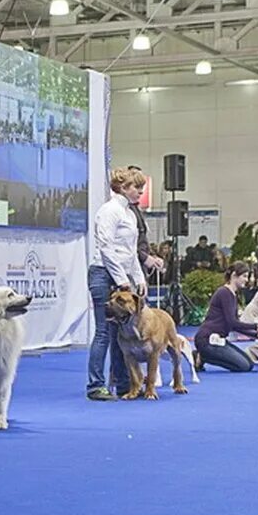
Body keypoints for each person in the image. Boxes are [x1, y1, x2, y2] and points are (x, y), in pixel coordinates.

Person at [86, 167, 148, 401]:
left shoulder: (130, 214)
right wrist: (123, 280)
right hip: (102, 274)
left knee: (121, 334)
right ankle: (95, 385)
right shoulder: (109, 211)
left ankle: (124, 385)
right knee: (103, 331)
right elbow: (106, 248)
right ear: (123, 188)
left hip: (121, 276)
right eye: (137, 187)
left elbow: (131, 252)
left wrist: (138, 279)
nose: (141, 192)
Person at [194, 262, 258, 372]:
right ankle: (202, 356)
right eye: (244, 276)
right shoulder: (224, 293)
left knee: (248, 363)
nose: (247, 280)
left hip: (217, 339)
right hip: (208, 340)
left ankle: (203, 355)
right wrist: (256, 327)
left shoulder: (232, 294)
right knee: (244, 366)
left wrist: (256, 335)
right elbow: (233, 323)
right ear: (234, 275)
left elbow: (233, 325)